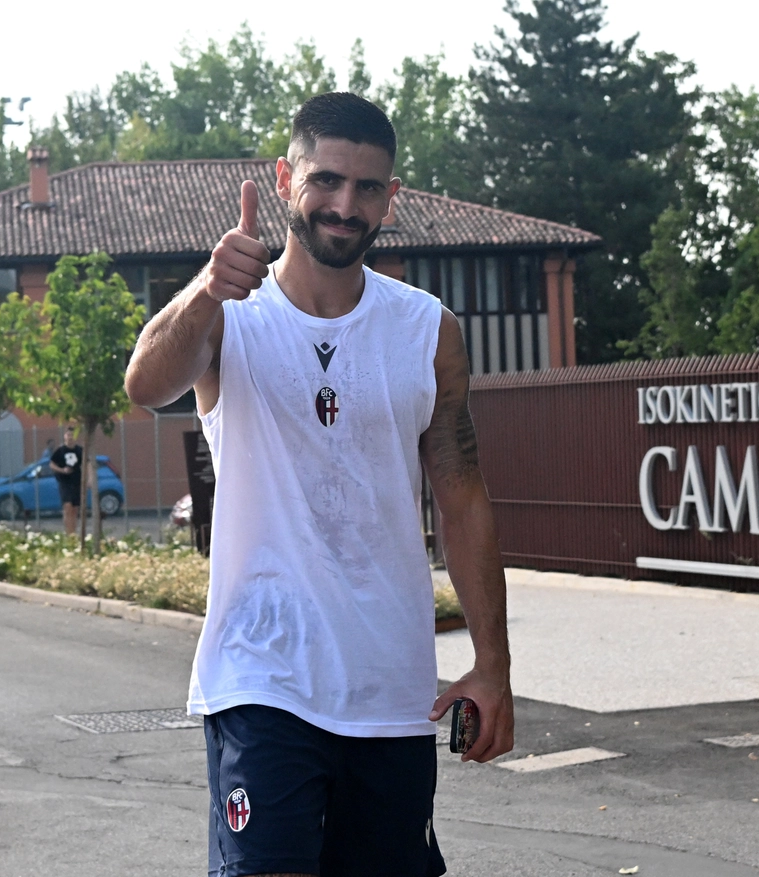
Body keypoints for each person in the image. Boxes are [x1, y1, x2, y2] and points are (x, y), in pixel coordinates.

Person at [125, 92, 513, 877]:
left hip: (390, 687)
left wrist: (492, 663)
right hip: (262, 676)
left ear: (390, 198)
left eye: (368, 188)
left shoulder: (427, 330)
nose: (345, 205)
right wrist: (205, 287)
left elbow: (463, 492)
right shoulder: (231, 316)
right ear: (284, 178)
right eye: (326, 181)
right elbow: (143, 383)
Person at [49, 427, 85, 536]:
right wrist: (62, 470)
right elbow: (52, 464)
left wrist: (88, 479)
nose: (70, 438)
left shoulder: (80, 450)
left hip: (77, 482)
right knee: (67, 507)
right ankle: (68, 533)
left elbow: (86, 464)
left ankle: (73, 532)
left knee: (75, 509)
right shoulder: (60, 450)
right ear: (65, 436)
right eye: (68, 435)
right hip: (65, 482)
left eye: (72, 435)